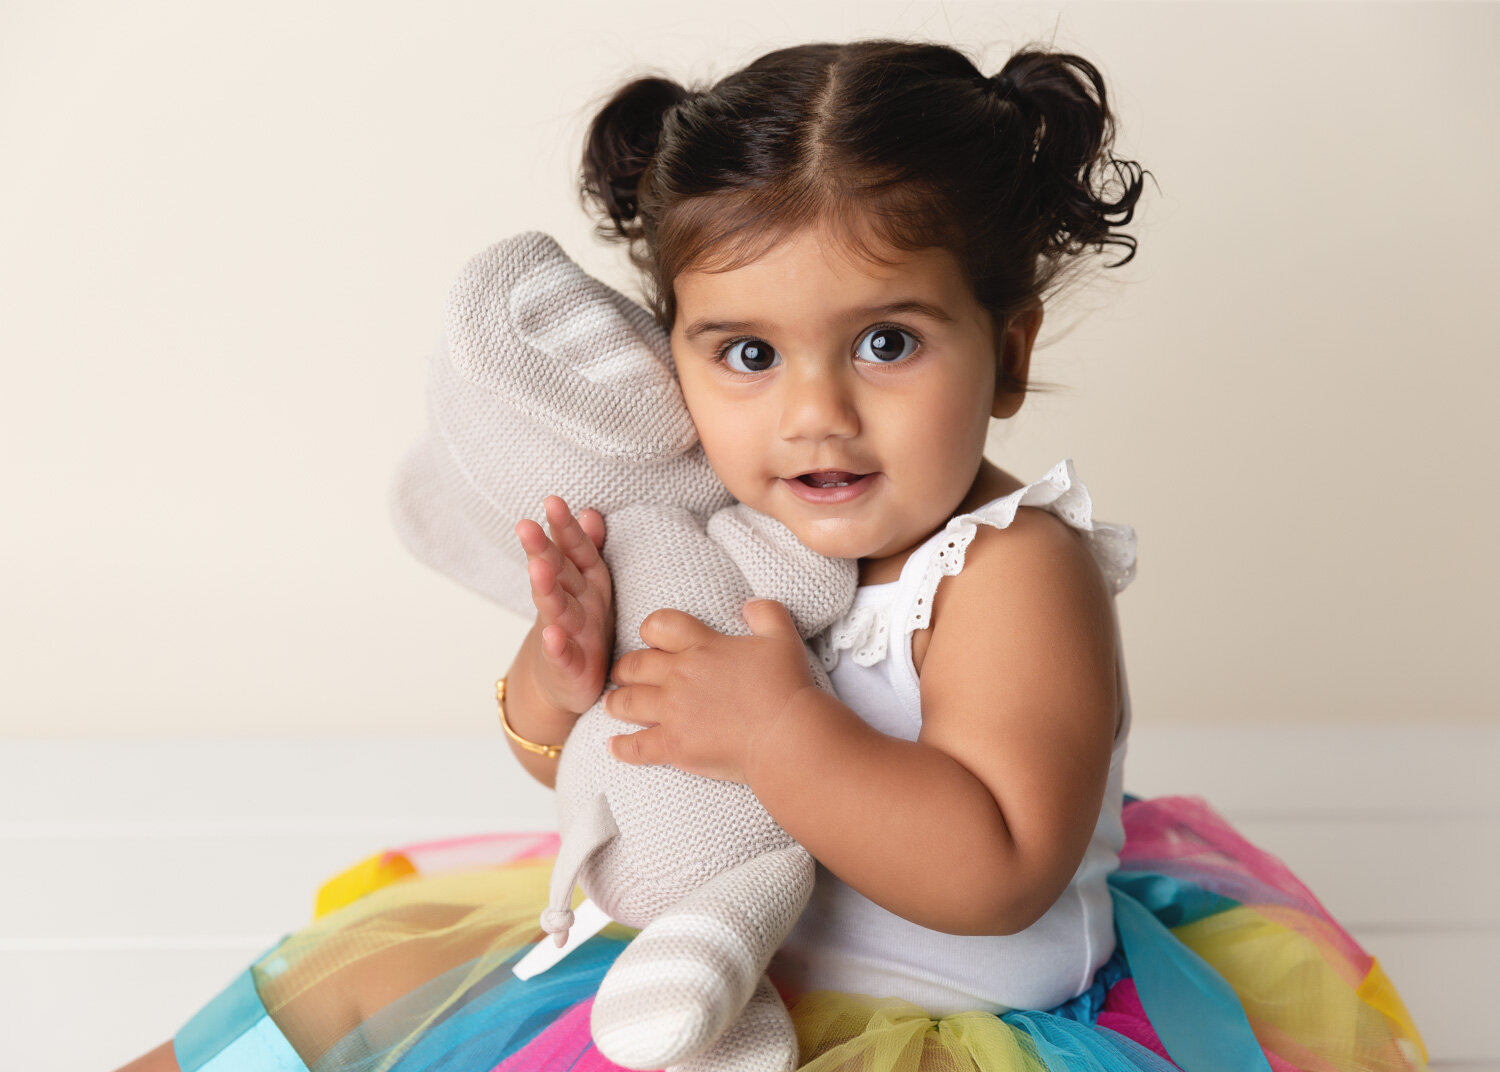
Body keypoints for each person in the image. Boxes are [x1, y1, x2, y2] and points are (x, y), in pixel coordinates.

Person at [119, 39, 1427, 1072]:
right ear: (673, 351)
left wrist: (782, 737)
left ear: (1010, 352)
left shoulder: (1012, 568)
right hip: (685, 979)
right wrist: (562, 678)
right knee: (357, 980)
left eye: (886, 342)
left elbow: (999, 868)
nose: (814, 413)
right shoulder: (710, 534)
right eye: (746, 354)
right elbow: (581, 769)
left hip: (934, 1029)